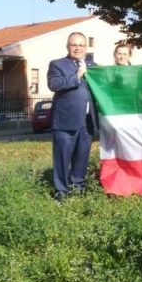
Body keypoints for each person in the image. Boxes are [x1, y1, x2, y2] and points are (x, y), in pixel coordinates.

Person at [47, 32, 97, 201]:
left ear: (86, 47)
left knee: (81, 158)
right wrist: (77, 75)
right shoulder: (57, 64)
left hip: (87, 121)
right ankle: (61, 192)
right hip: (65, 121)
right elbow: (54, 84)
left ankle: (78, 189)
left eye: (81, 45)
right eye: (74, 45)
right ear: (67, 46)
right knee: (62, 158)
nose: (77, 48)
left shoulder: (94, 66)